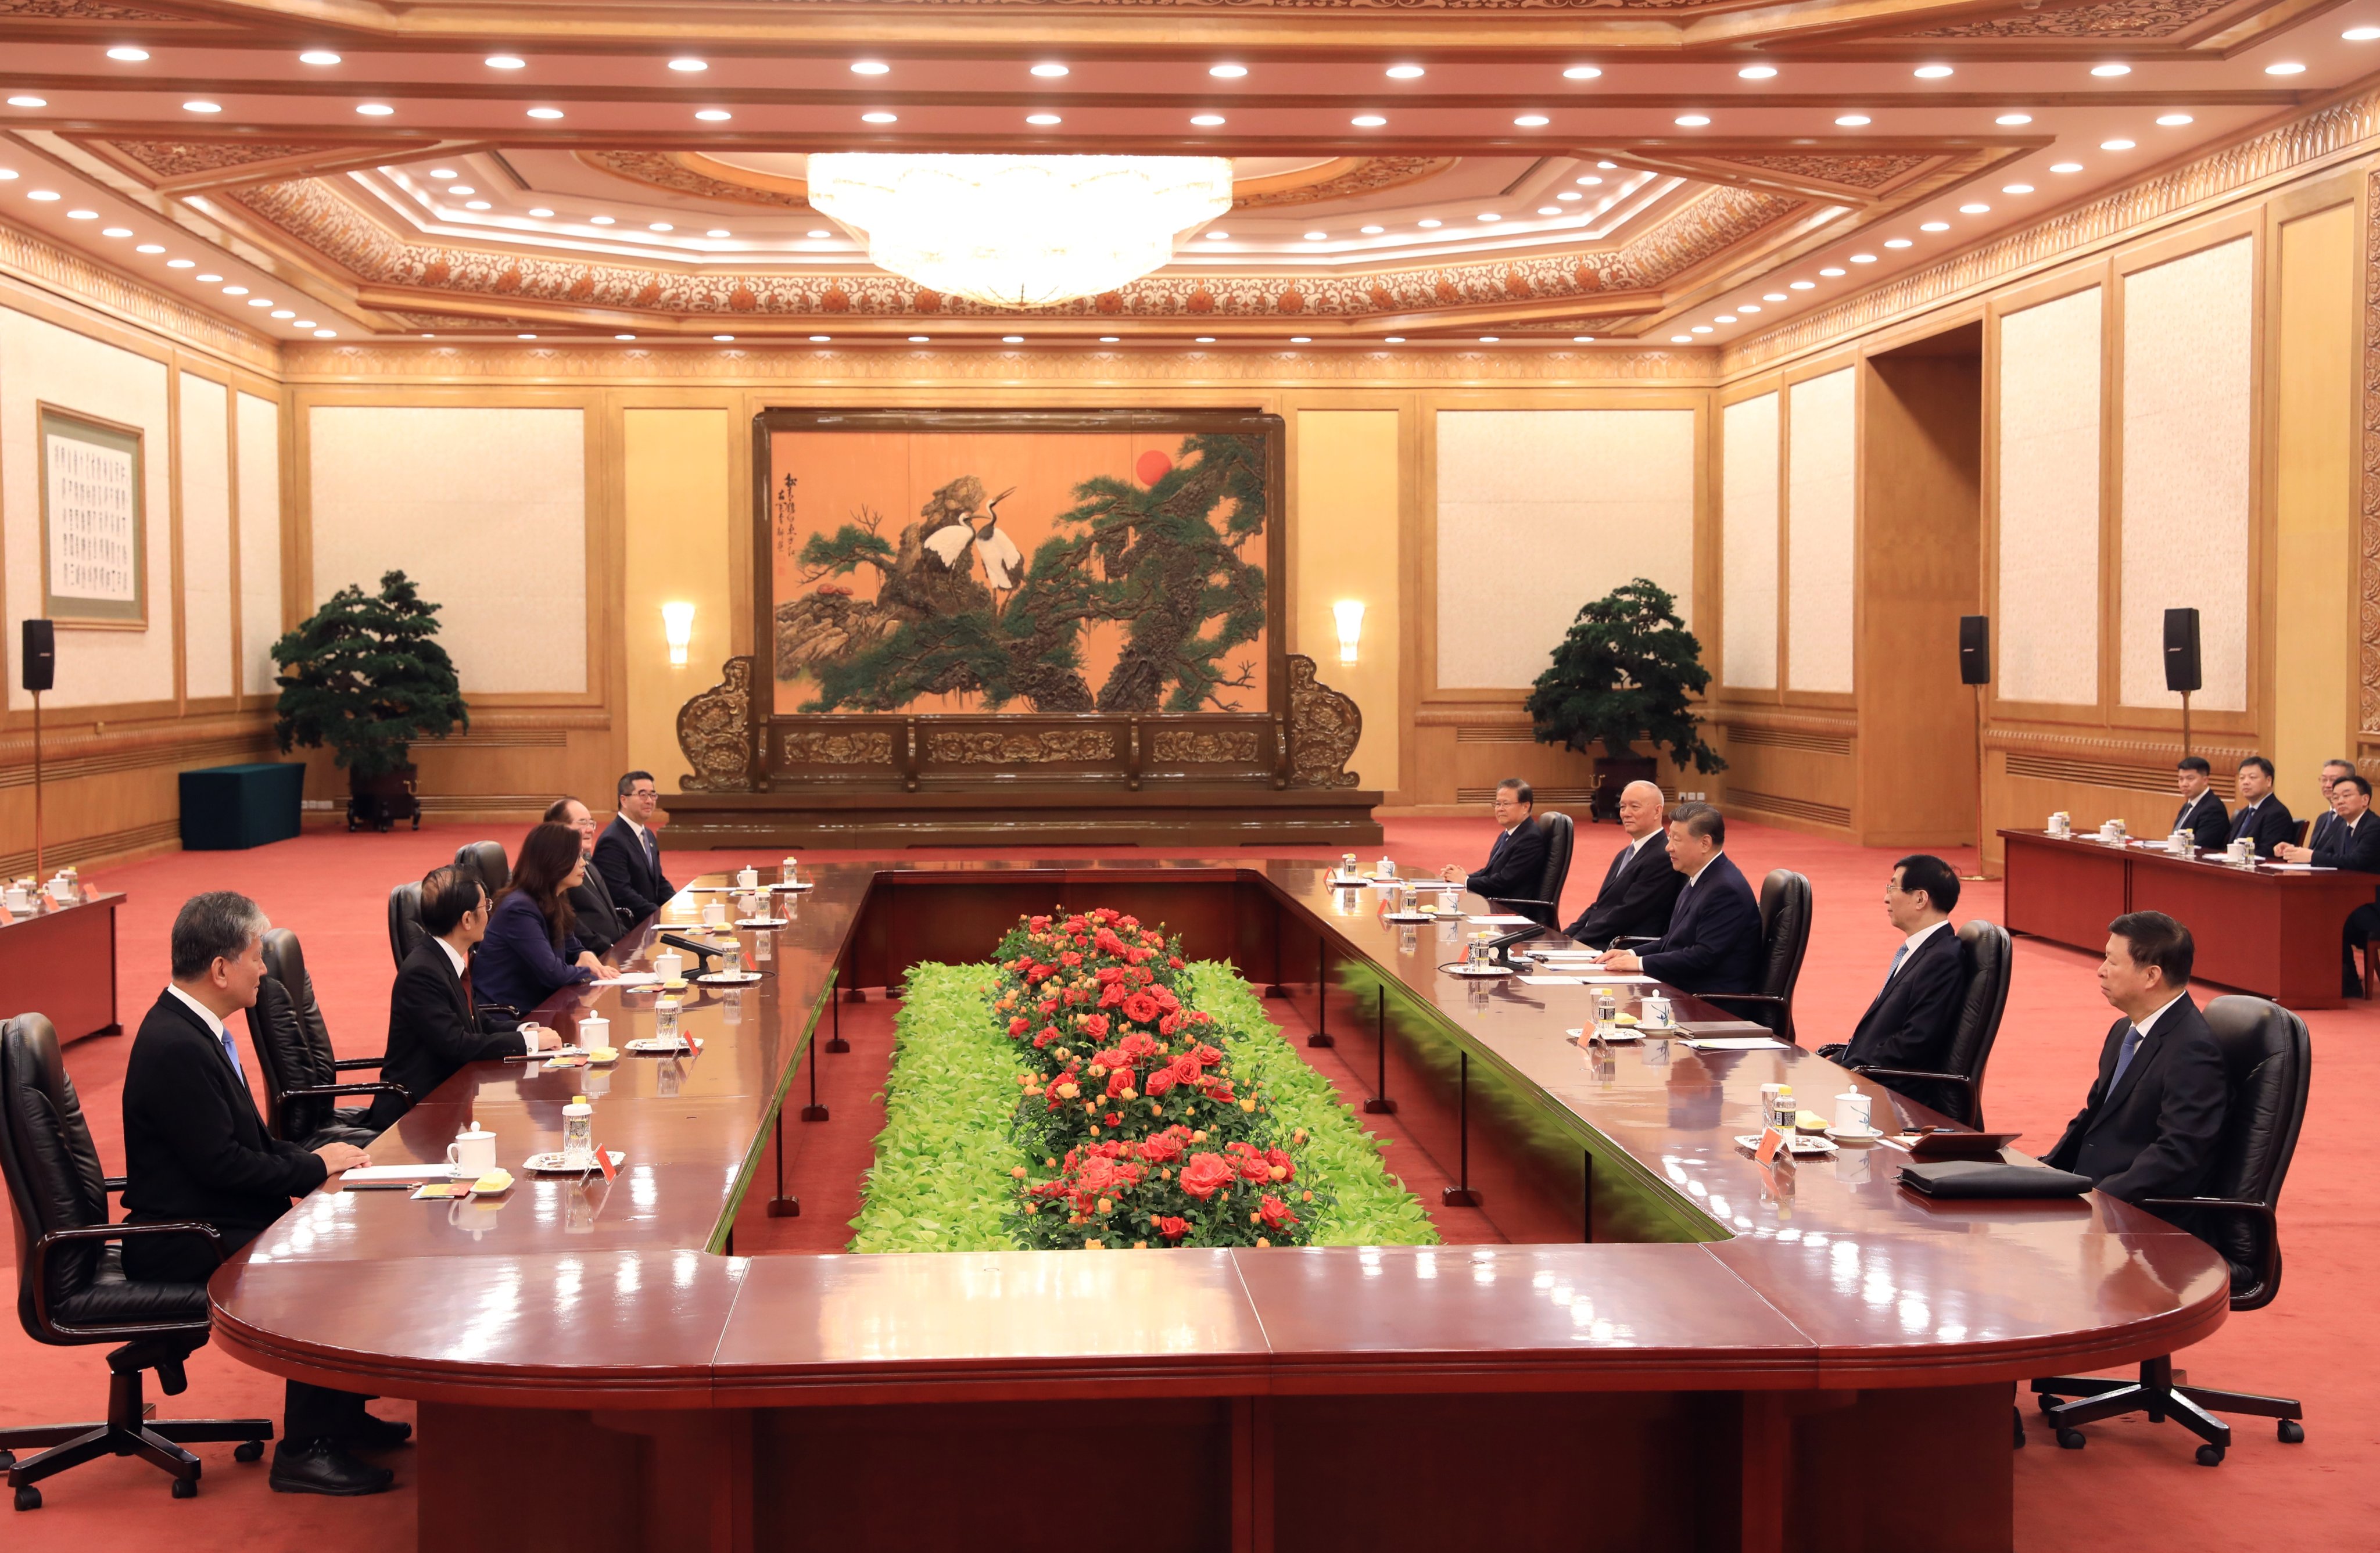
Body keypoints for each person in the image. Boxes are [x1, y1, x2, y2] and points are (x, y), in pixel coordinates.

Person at [120, 892, 399, 1495]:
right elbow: (221, 1164)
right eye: (255, 957)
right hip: (179, 1235)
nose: (265, 970)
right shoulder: (176, 1047)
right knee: (320, 1263)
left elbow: (245, 1142)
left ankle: (339, 1416)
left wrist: (316, 1164)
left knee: (348, 1231)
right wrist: (308, 1172)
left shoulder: (197, 1029)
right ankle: (306, 1449)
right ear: (220, 969)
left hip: (210, 1212)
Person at [2044, 912, 2227, 1229]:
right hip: (2096, 1195)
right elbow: (2094, 1116)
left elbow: (2177, 1153)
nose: (2100, 972)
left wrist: (2098, 1197)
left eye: (2112, 963)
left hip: (2143, 1218)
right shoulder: (2123, 1031)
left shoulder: (2193, 1050)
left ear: (2151, 976)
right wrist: (2046, 1172)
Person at [371, 867, 558, 1129]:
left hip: (447, 1099)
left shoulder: (445, 959)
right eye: (486, 905)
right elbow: (458, 1045)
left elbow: (476, 1021)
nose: (490, 913)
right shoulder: (423, 972)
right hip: (414, 1114)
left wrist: (527, 1030)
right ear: (467, 920)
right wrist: (526, 1042)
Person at [1816, 855, 1969, 1118]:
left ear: (1921, 899)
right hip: (1869, 1074)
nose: (1886, 899)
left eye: (1893, 888)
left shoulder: (1943, 958)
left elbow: (1915, 1042)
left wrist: (1848, 1069)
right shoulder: (1921, 949)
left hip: (1896, 1096)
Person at [1593, 802, 1762, 996]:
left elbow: (1703, 956)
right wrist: (1632, 954)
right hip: (1685, 989)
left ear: (1705, 844)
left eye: (1677, 840)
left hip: (1710, 1002)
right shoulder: (1700, 877)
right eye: (1669, 837)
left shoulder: (1725, 890)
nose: (1668, 848)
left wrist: (1640, 964)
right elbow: (1674, 941)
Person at [473, 822, 604, 1017]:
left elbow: (570, 945)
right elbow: (553, 973)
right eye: (576, 858)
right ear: (554, 861)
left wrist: (583, 955)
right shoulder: (519, 909)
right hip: (513, 1017)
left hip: (543, 1006)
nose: (583, 863)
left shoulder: (551, 897)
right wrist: (588, 971)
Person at [2281, 774, 2380, 995]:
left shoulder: (2374, 827)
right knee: (2312, 911)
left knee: (2331, 918)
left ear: (2365, 800)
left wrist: (2311, 856)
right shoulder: (2345, 827)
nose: (2340, 801)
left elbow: (2355, 862)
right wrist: (2296, 852)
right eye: (2336, 797)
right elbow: (2332, 857)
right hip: (2355, 900)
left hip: (2374, 904)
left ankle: (2348, 982)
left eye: (2347, 795)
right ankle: (2318, 977)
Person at [1562, 780, 1684, 948]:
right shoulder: (1625, 854)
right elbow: (1600, 906)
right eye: (1622, 807)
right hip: (1601, 938)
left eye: (1635, 807)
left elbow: (1627, 913)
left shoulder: (1662, 856)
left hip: (1622, 946)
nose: (1626, 813)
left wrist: (1575, 942)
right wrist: (1567, 935)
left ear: (1657, 811)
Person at [1435, 777, 1548, 903]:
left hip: (1511, 911)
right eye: (1497, 804)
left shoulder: (1530, 839)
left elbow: (1504, 882)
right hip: (1496, 903)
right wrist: (1459, 877)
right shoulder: (1508, 834)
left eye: (1506, 804)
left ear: (1525, 807)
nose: (1500, 809)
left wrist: (1465, 881)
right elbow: (1489, 872)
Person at [547, 795, 632, 954]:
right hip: (594, 956)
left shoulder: (588, 864)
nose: (591, 830)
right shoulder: (555, 870)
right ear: (558, 827)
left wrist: (629, 943)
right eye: (583, 823)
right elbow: (571, 925)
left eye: (591, 823)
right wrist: (612, 950)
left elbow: (611, 913)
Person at [593, 770, 675, 922]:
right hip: (632, 924)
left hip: (650, 919)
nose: (650, 801)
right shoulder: (612, 840)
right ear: (624, 800)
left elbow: (659, 881)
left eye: (653, 795)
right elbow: (620, 893)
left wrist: (676, 906)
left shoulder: (648, 834)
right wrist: (659, 915)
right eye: (643, 795)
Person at [2225, 756, 2293, 858]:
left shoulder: (2277, 813)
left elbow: (2268, 852)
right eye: (2242, 778)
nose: (2246, 782)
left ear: (2269, 781)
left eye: (2252, 777)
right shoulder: (2242, 814)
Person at [2171, 757, 2229, 854]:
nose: (2184, 784)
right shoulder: (2187, 806)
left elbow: (2201, 847)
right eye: (2181, 779)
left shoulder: (2213, 809)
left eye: (2190, 779)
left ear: (2205, 780)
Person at [2308, 758, 2357, 853]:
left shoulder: (2352, 819)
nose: (2327, 785)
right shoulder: (2322, 818)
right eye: (2324, 780)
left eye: (2333, 780)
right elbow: (2314, 851)